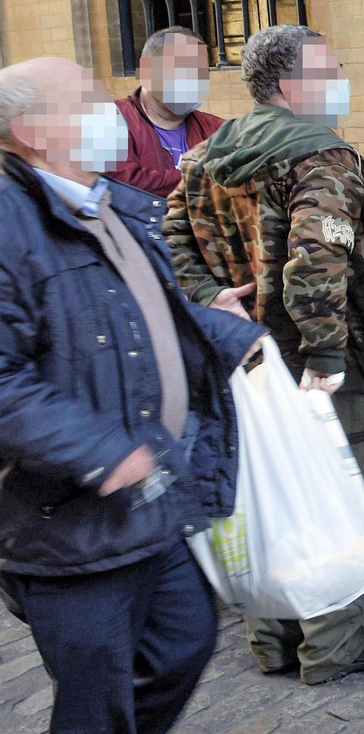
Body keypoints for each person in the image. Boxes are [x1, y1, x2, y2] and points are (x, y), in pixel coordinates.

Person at [0, 57, 265, 732]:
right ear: (33, 130)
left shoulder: (110, 203)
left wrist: (225, 331)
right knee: (98, 691)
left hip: (151, 495)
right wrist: (102, 453)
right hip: (69, 521)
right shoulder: (10, 223)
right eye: (88, 100)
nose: (109, 112)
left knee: (184, 642)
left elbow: (140, 310)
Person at [163, 24, 364, 685]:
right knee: (333, 497)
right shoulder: (320, 157)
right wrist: (328, 355)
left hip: (243, 361)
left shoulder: (207, 153)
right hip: (316, 365)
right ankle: (333, 646)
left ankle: (272, 639)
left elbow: (169, 235)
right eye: (329, 69)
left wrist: (209, 294)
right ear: (290, 85)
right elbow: (316, 260)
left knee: (267, 493)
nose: (340, 79)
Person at [111, 26, 224, 196]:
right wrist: (205, 178)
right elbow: (124, 184)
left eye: (202, 71)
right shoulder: (111, 120)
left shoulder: (217, 129)